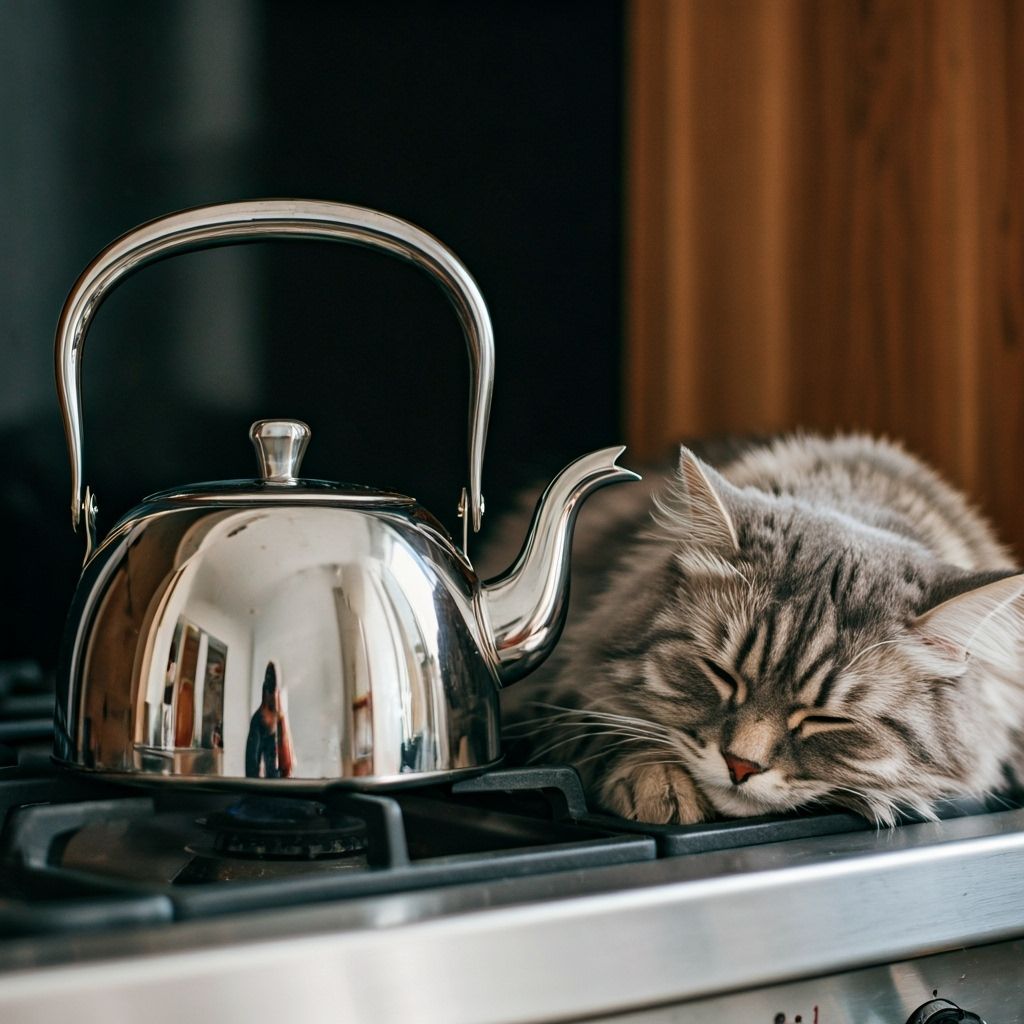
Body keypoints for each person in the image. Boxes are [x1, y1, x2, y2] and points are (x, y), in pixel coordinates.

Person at [244, 662, 295, 778]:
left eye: (275, 691)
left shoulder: (280, 719)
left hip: (278, 786)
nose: (273, 696)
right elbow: (252, 768)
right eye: (270, 690)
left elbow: (287, 766)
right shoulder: (258, 720)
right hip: (262, 789)